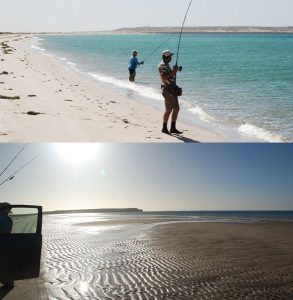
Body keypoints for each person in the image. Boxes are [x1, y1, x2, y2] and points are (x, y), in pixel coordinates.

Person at [158, 50, 183, 135]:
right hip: (168, 90)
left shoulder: (167, 65)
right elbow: (163, 78)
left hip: (172, 89)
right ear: (166, 57)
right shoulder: (162, 65)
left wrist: (176, 70)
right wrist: (173, 72)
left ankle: (172, 128)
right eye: (170, 56)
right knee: (168, 109)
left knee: (176, 108)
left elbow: (170, 75)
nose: (171, 57)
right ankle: (164, 128)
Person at [0, 202, 14, 290]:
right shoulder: (7, 218)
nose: (10, 210)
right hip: (5, 244)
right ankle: (8, 282)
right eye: (9, 209)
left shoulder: (5, 218)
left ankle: (8, 281)